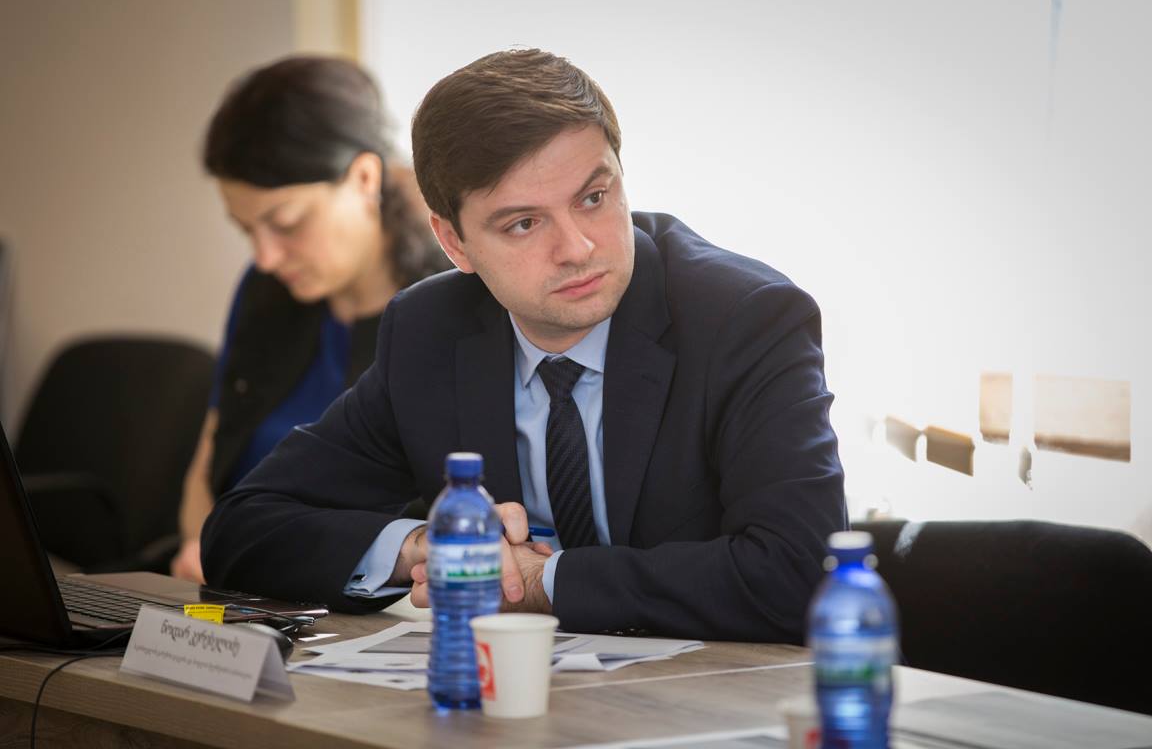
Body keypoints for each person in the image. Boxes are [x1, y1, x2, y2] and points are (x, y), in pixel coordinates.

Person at [202, 49, 846, 642]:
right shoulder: (430, 331)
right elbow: (243, 528)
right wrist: (427, 547)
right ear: (454, 244)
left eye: (594, 197)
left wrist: (540, 583)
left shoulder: (745, 320)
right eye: (524, 223)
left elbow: (800, 573)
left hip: (715, 699)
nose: (578, 247)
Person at [170, 56, 450, 584]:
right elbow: (210, 462)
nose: (265, 257)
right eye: (246, 230)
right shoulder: (266, 292)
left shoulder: (443, 310)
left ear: (364, 177)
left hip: (368, 601)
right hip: (229, 585)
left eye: (286, 224)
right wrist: (202, 546)